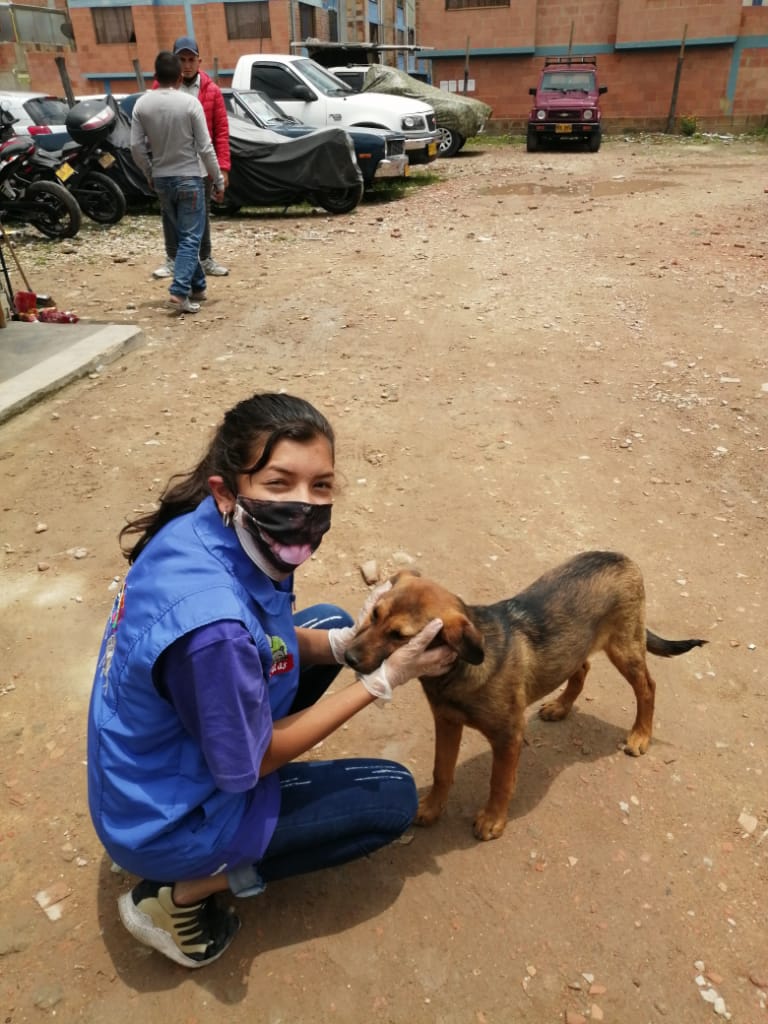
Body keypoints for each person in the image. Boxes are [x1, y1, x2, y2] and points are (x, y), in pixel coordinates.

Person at [87, 392, 455, 968]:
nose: (304, 505)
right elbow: (251, 760)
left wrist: (340, 646)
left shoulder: (209, 531)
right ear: (227, 489)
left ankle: (242, 817)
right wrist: (382, 680)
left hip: (145, 768)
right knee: (391, 797)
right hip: (165, 818)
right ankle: (178, 894)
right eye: (279, 484)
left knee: (331, 623)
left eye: (321, 486)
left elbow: (269, 635)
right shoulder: (213, 632)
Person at [130, 51, 225, 315]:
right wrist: (217, 179)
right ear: (180, 75)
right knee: (191, 237)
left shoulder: (142, 105)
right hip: (190, 178)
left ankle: (198, 286)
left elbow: (136, 146)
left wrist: (149, 172)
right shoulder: (189, 103)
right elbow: (205, 147)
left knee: (184, 237)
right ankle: (179, 291)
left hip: (161, 178)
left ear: (155, 76)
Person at [153, 36, 231, 281]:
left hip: (201, 165)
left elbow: (220, 132)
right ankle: (173, 259)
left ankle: (205, 258)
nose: (186, 65)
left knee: (202, 213)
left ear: (199, 61)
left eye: (190, 59)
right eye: (181, 60)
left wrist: (222, 169)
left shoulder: (212, 91)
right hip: (170, 163)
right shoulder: (159, 92)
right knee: (169, 213)